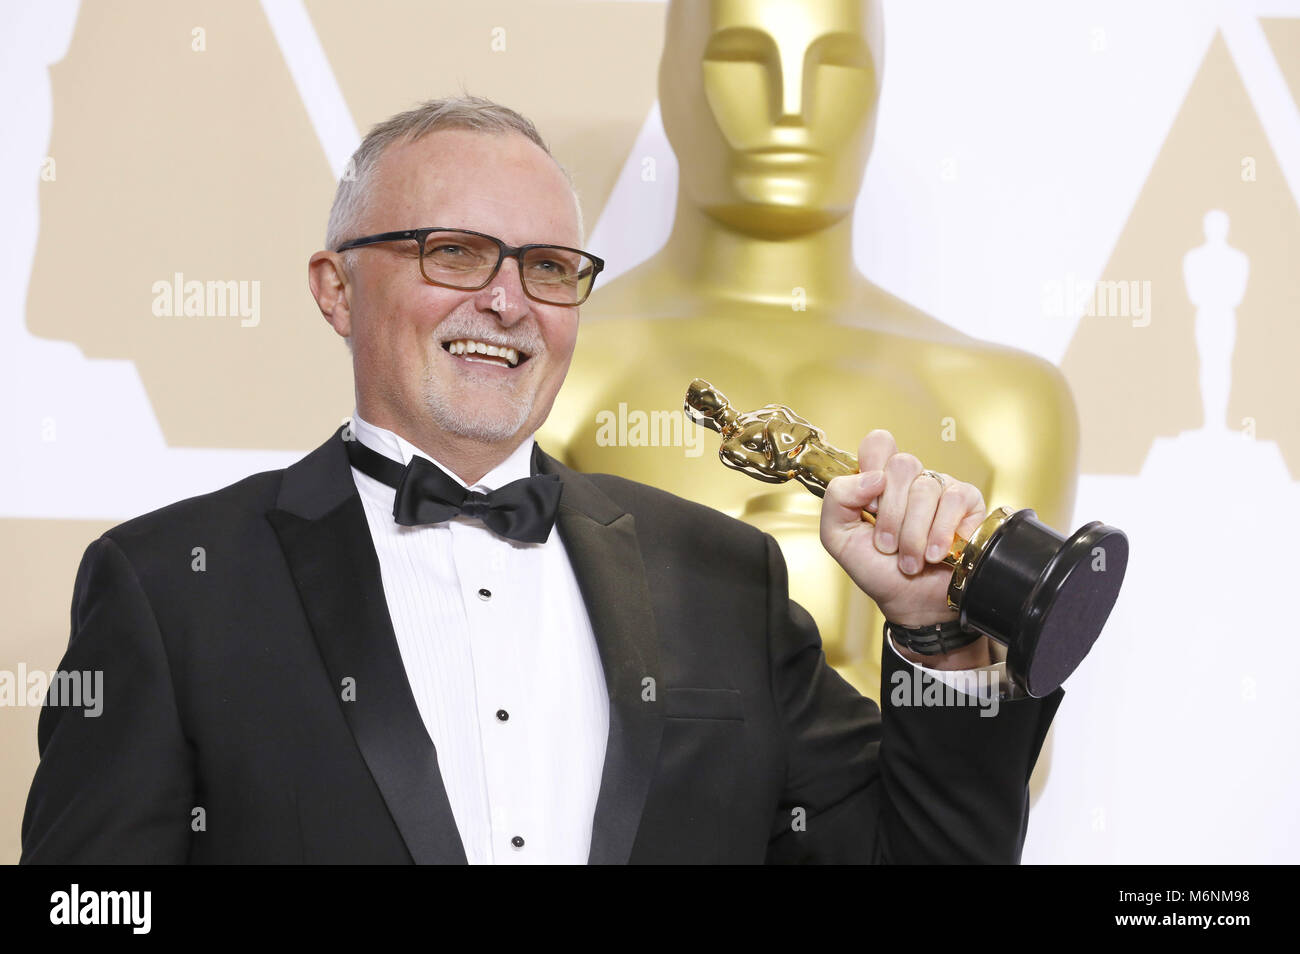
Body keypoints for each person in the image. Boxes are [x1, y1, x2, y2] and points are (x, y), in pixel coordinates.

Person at [21, 96, 1061, 864]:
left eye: (549, 266)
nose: (508, 303)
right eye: (455, 253)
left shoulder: (720, 578)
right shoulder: (170, 588)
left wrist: (932, 637)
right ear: (336, 290)